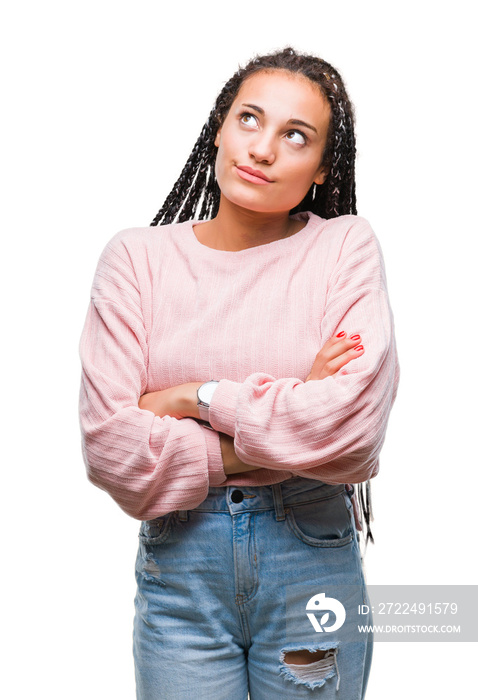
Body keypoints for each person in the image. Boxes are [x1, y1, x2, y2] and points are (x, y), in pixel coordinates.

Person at [79, 47, 399, 699]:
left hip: (310, 565)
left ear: (320, 170)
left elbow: (354, 431)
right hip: (182, 575)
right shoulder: (137, 260)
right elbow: (110, 450)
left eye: (296, 135)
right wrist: (292, 416)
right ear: (218, 129)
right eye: (248, 120)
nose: (263, 148)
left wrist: (192, 397)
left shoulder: (343, 247)